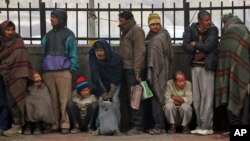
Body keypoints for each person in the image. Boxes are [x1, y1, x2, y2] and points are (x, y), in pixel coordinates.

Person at [41, 9, 79, 134]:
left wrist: (71, 69)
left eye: (54, 17)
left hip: (63, 71)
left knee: (64, 99)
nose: (51, 19)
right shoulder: (48, 35)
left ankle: (65, 123)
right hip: (48, 72)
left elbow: (73, 53)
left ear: (61, 18)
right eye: (51, 17)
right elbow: (43, 53)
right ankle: (54, 124)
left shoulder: (69, 34)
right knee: (52, 100)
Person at [182, 10, 218, 135]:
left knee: (207, 97)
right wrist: (198, 49)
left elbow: (209, 47)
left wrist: (195, 44)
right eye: (206, 20)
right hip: (194, 66)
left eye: (209, 19)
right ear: (199, 21)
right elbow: (185, 45)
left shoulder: (213, 30)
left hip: (207, 67)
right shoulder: (191, 29)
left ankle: (207, 126)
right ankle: (199, 125)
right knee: (197, 98)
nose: (209, 22)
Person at [215, 13, 250, 127]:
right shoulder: (244, 30)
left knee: (231, 97)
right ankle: (242, 128)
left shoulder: (227, 32)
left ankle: (235, 127)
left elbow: (220, 52)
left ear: (226, 22)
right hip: (244, 72)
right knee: (243, 99)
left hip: (228, 72)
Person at [0, 20, 33, 136]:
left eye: (12, 29)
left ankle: (20, 126)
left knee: (18, 100)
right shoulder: (1, 43)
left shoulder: (18, 41)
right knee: (8, 101)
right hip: (5, 75)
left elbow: (23, 57)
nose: (10, 32)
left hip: (19, 74)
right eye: (7, 30)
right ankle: (12, 124)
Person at [118, 10, 146, 135]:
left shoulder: (136, 30)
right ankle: (127, 124)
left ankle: (137, 126)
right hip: (124, 68)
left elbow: (140, 51)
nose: (119, 23)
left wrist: (137, 71)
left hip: (132, 70)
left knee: (135, 98)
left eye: (121, 20)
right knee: (125, 97)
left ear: (128, 20)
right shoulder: (125, 31)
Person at [145, 13, 173, 134]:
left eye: (157, 24)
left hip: (160, 70)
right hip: (153, 69)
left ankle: (160, 126)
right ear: (149, 25)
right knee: (154, 98)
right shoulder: (150, 36)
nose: (155, 26)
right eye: (152, 24)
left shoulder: (161, 36)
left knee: (157, 97)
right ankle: (157, 124)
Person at [89, 39, 122, 135]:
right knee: (101, 102)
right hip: (102, 84)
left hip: (115, 82)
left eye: (102, 51)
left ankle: (116, 127)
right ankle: (99, 127)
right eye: (97, 51)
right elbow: (95, 76)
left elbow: (118, 75)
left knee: (115, 101)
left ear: (106, 50)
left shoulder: (115, 58)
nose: (99, 53)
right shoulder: (93, 58)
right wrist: (103, 92)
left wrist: (111, 91)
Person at [23, 70, 53, 135]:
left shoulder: (44, 87)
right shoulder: (29, 88)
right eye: (36, 81)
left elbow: (47, 100)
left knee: (40, 102)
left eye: (39, 81)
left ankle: (38, 125)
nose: (38, 82)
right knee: (27, 102)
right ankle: (28, 125)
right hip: (30, 98)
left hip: (40, 118)